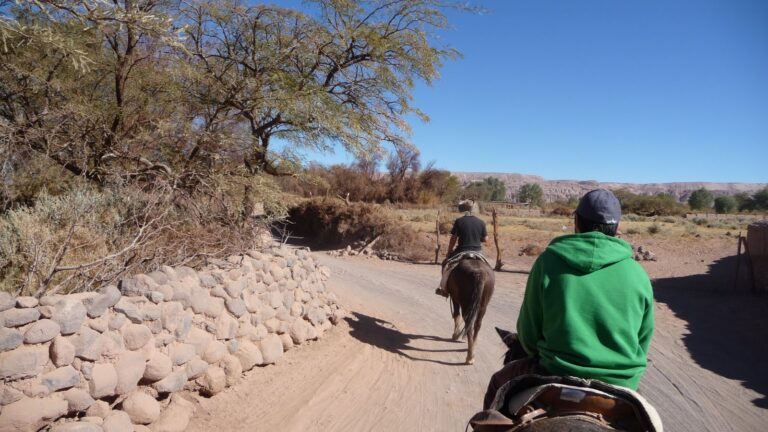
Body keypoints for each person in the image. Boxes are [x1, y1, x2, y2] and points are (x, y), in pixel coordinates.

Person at [483, 189, 654, 409]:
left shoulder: (547, 262)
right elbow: (643, 340)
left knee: (497, 383)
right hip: (620, 382)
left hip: (554, 371)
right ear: (617, 228)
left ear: (577, 221)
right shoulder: (638, 273)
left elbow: (529, 334)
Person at [435, 200, 489, 297]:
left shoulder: (459, 221)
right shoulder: (481, 222)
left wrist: (449, 251)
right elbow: (486, 239)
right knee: (488, 267)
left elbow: (453, 238)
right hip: (478, 251)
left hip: (462, 250)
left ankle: (443, 289)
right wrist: (476, 237)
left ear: (463, 210)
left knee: (446, 265)